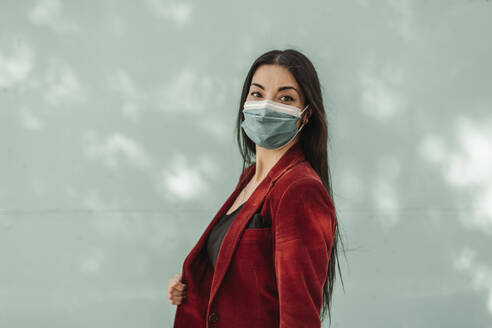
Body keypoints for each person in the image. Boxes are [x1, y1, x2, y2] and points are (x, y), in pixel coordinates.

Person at [169, 49, 344, 328]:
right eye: (257, 93)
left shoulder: (300, 190)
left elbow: (299, 318)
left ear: (306, 114)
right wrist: (196, 285)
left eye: (285, 97)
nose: (266, 106)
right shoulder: (250, 179)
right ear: (245, 102)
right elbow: (245, 278)